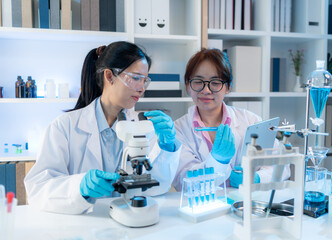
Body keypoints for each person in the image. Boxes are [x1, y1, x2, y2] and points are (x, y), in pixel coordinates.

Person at [24, 41, 181, 214]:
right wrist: (80, 187)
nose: (142, 88)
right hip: (83, 225)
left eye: (145, 80)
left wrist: (167, 148)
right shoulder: (64, 127)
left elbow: (157, 186)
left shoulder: (142, 126)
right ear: (109, 76)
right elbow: (37, 190)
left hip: (129, 222)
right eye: (136, 78)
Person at [172, 48, 290, 191]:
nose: (206, 90)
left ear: (228, 87)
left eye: (215, 82)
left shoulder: (251, 120)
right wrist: (216, 162)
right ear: (187, 86)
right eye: (198, 81)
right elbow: (183, 180)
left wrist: (256, 178)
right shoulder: (178, 129)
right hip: (201, 208)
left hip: (243, 206)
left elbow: (281, 164)